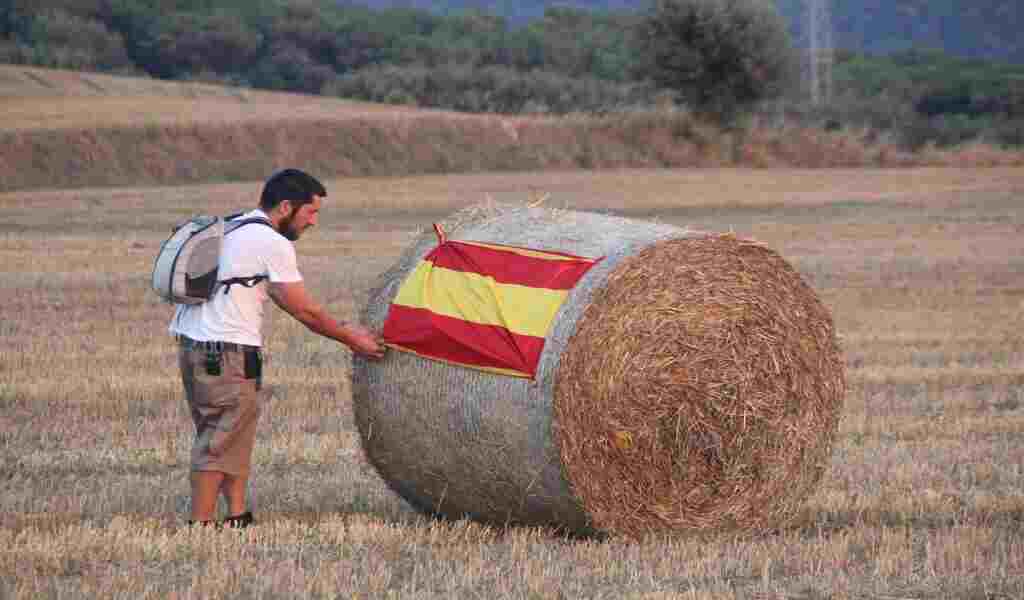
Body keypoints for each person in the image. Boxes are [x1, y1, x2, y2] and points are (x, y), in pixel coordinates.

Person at [169, 168, 386, 529]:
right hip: (225, 352)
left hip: (197, 347)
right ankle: (201, 526)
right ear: (286, 207)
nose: (314, 222)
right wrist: (352, 337)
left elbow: (279, 297)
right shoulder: (271, 242)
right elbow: (304, 309)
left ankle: (237, 515)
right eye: (311, 212)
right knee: (220, 439)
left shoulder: (235, 226)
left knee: (233, 432)